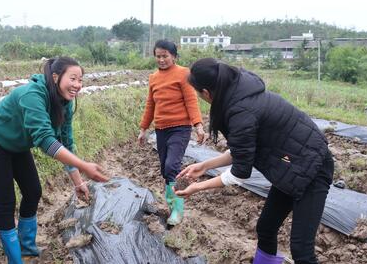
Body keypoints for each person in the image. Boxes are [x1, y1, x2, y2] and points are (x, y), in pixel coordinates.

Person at [175, 58, 333, 264]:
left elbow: (240, 173)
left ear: (206, 92)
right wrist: (204, 165)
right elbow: (243, 150)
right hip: (291, 167)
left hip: (313, 167)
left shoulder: (240, 110)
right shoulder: (238, 93)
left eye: (198, 93)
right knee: (266, 227)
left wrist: (197, 187)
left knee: (301, 250)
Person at [0, 57, 109, 263]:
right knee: (6, 202)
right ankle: (15, 260)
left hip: (17, 146)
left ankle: (28, 249)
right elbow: (45, 140)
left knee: (33, 191)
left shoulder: (64, 103)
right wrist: (83, 166)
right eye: (72, 78)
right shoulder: (33, 95)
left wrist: (78, 182)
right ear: (56, 77)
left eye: (80, 80)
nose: (77, 85)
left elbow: (65, 142)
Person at [138, 39, 205, 226]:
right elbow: (150, 105)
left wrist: (198, 125)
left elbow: (191, 100)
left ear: (174, 56)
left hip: (180, 128)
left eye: (165, 56)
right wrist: (143, 129)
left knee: (171, 166)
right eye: (158, 56)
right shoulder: (153, 78)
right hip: (161, 129)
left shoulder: (183, 74)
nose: (161, 60)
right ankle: (171, 204)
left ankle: (177, 209)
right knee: (165, 170)